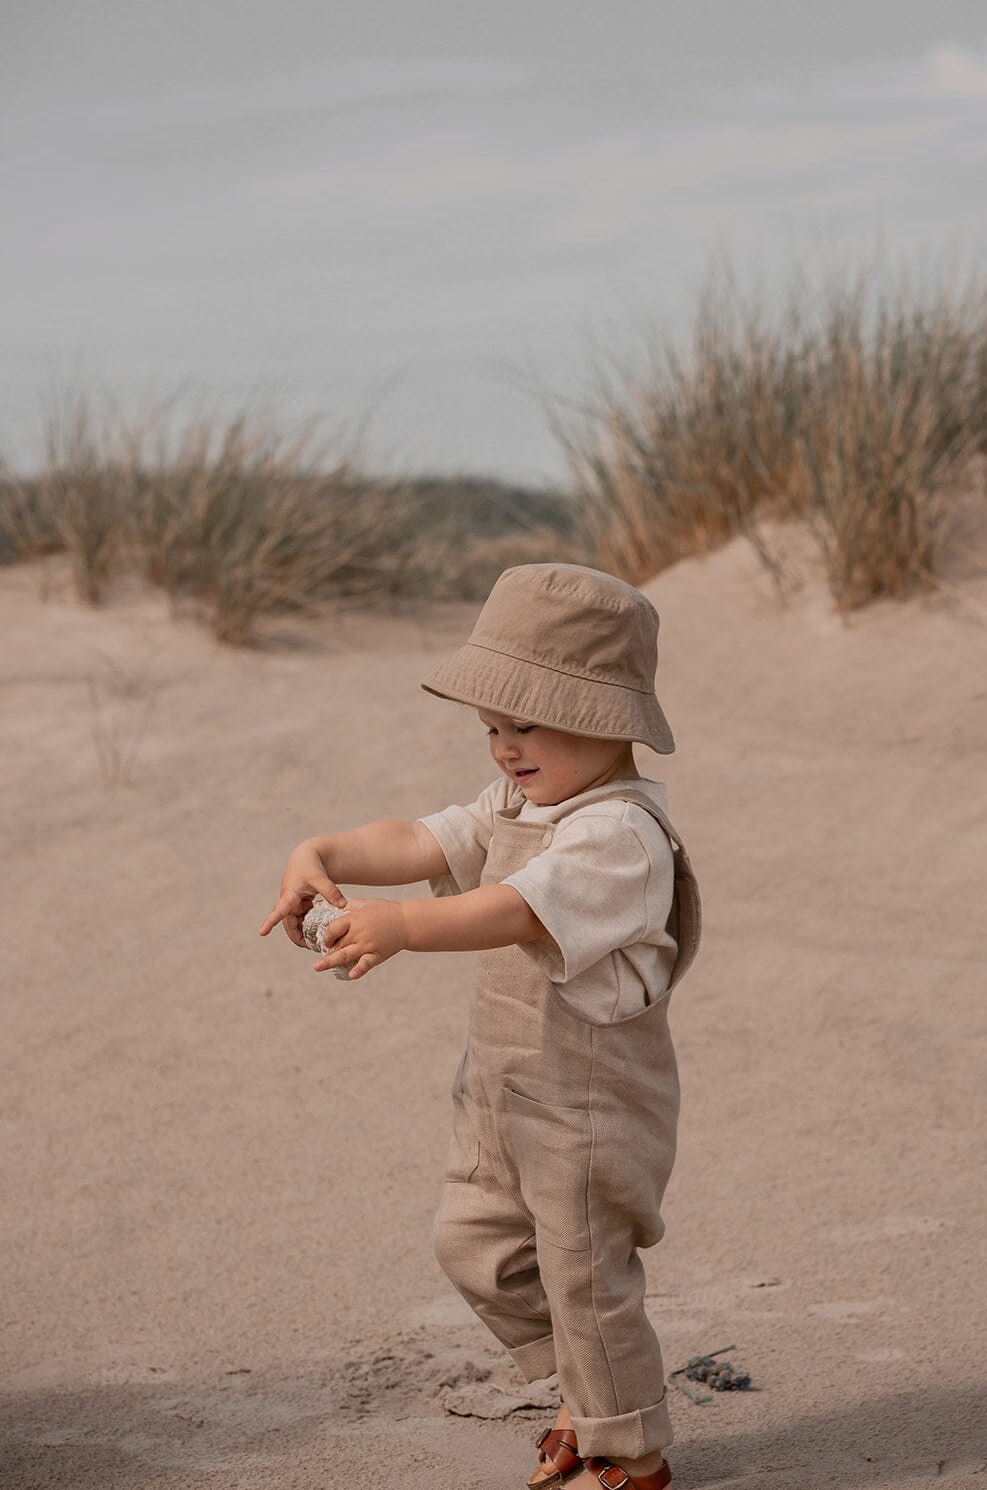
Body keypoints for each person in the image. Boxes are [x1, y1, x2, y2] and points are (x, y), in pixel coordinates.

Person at [259, 562, 702, 1490]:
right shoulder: (521, 799)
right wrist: (325, 852)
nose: (502, 748)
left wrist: (403, 926)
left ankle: (632, 1452)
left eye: (523, 723)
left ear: (603, 715)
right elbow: (426, 839)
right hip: (503, 1088)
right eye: (491, 727)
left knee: (585, 1273)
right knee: (476, 1244)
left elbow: (513, 909)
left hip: (590, 1104)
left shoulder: (616, 833)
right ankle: (588, 1387)